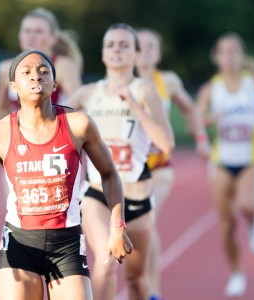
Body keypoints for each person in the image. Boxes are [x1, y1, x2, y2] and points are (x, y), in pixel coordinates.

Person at [0, 49, 133, 300]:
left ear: (54, 83)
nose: (36, 76)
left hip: (66, 243)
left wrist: (117, 225)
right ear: (14, 86)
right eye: (26, 72)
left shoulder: (79, 125)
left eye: (44, 71)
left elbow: (109, 174)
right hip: (20, 244)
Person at [66, 23, 174, 300]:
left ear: (136, 54)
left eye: (124, 45)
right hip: (98, 194)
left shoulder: (145, 91)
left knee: (137, 281)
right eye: (111, 44)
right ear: (102, 53)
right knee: (105, 259)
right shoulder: (87, 94)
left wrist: (135, 105)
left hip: (137, 197)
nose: (116, 49)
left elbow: (166, 143)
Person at [196, 32, 254, 297]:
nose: (230, 56)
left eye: (234, 51)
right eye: (224, 51)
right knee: (227, 224)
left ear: (241, 55)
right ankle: (236, 273)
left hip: (250, 158)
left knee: (247, 204)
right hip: (222, 161)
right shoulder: (211, 88)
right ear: (216, 57)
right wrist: (205, 132)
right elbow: (198, 121)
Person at [135, 28, 210, 300]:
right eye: (140, 45)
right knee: (131, 229)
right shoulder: (120, 82)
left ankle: (153, 291)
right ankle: (137, 283)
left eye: (151, 46)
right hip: (125, 169)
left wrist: (201, 139)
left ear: (159, 52)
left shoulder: (168, 81)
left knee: (147, 221)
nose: (145, 51)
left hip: (158, 167)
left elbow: (190, 109)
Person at [0, 7, 82, 143]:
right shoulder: (5, 68)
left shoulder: (63, 65)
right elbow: (2, 106)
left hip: (56, 138)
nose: (31, 36)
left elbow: (78, 104)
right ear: (19, 35)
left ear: (53, 38)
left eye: (38, 31)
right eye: (27, 31)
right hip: (22, 140)